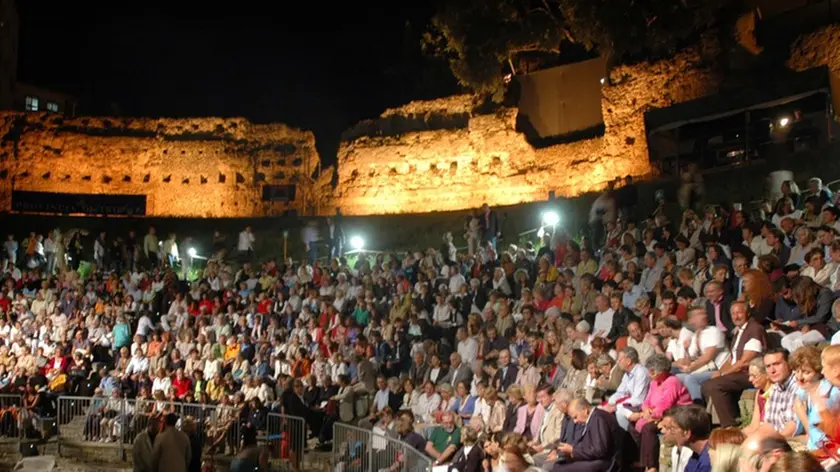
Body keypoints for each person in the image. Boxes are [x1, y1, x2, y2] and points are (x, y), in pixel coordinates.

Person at [701, 301, 767, 427]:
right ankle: (710, 425)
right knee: (706, 385)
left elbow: (744, 361)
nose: (736, 316)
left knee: (715, 385)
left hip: (750, 373)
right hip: (738, 373)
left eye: (739, 313)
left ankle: (730, 426)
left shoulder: (754, 329)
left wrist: (723, 374)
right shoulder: (739, 332)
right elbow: (732, 359)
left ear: (747, 313)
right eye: (733, 314)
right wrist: (719, 371)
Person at [549, 398, 627, 472]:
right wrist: (568, 452)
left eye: (576, 417)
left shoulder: (598, 418)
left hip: (606, 462)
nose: (575, 421)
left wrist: (573, 450)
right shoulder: (593, 418)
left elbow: (599, 451)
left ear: (585, 410)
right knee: (558, 465)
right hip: (596, 459)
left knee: (559, 469)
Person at [602, 347, 650, 431]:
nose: (617, 362)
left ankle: (629, 438)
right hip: (631, 402)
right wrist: (610, 403)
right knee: (601, 409)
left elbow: (639, 399)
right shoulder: (627, 374)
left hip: (642, 405)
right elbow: (620, 392)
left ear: (628, 361)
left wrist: (616, 406)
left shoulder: (641, 372)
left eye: (620, 360)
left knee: (619, 411)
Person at [669, 405, 712, 472]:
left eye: (674, 428)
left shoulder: (709, 460)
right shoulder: (696, 455)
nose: (671, 432)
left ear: (687, 433)